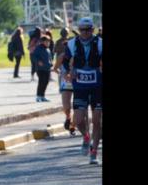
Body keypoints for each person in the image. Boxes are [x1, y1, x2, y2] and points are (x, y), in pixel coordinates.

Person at [62, 17, 103, 164]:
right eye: (82, 30)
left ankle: (94, 153)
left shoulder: (99, 43)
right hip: (80, 85)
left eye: (87, 30)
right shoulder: (72, 43)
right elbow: (65, 61)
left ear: (92, 30)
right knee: (78, 120)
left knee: (97, 121)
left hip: (97, 86)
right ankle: (86, 137)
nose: (84, 33)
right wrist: (67, 72)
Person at [52, 28, 75, 134]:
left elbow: (55, 69)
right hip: (69, 82)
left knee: (73, 104)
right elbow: (55, 68)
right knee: (69, 104)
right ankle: (69, 119)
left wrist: (61, 74)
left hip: (75, 82)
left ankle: (70, 120)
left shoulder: (79, 56)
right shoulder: (63, 56)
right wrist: (62, 74)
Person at [32, 35, 53, 102]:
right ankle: (38, 96)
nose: (48, 43)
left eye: (49, 42)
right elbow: (33, 56)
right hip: (40, 69)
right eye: (46, 41)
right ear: (42, 42)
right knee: (41, 82)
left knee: (46, 82)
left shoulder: (48, 49)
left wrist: (51, 64)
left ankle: (43, 96)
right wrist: (38, 61)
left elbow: (50, 58)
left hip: (47, 68)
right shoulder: (38, 48)